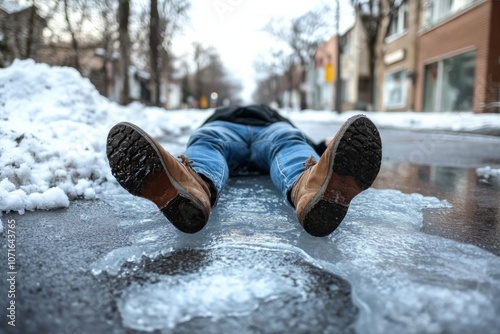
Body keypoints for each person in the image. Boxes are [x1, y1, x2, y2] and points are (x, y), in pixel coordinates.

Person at [106, 104, 382, 237]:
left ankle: (315, 189)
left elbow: (299, 140)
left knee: (287, 142)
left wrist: (323, 146)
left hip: (258, 129)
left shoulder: (262, 115)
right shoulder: (226, 112)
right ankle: (189, 187)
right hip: (233, 128)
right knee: (212, 141)